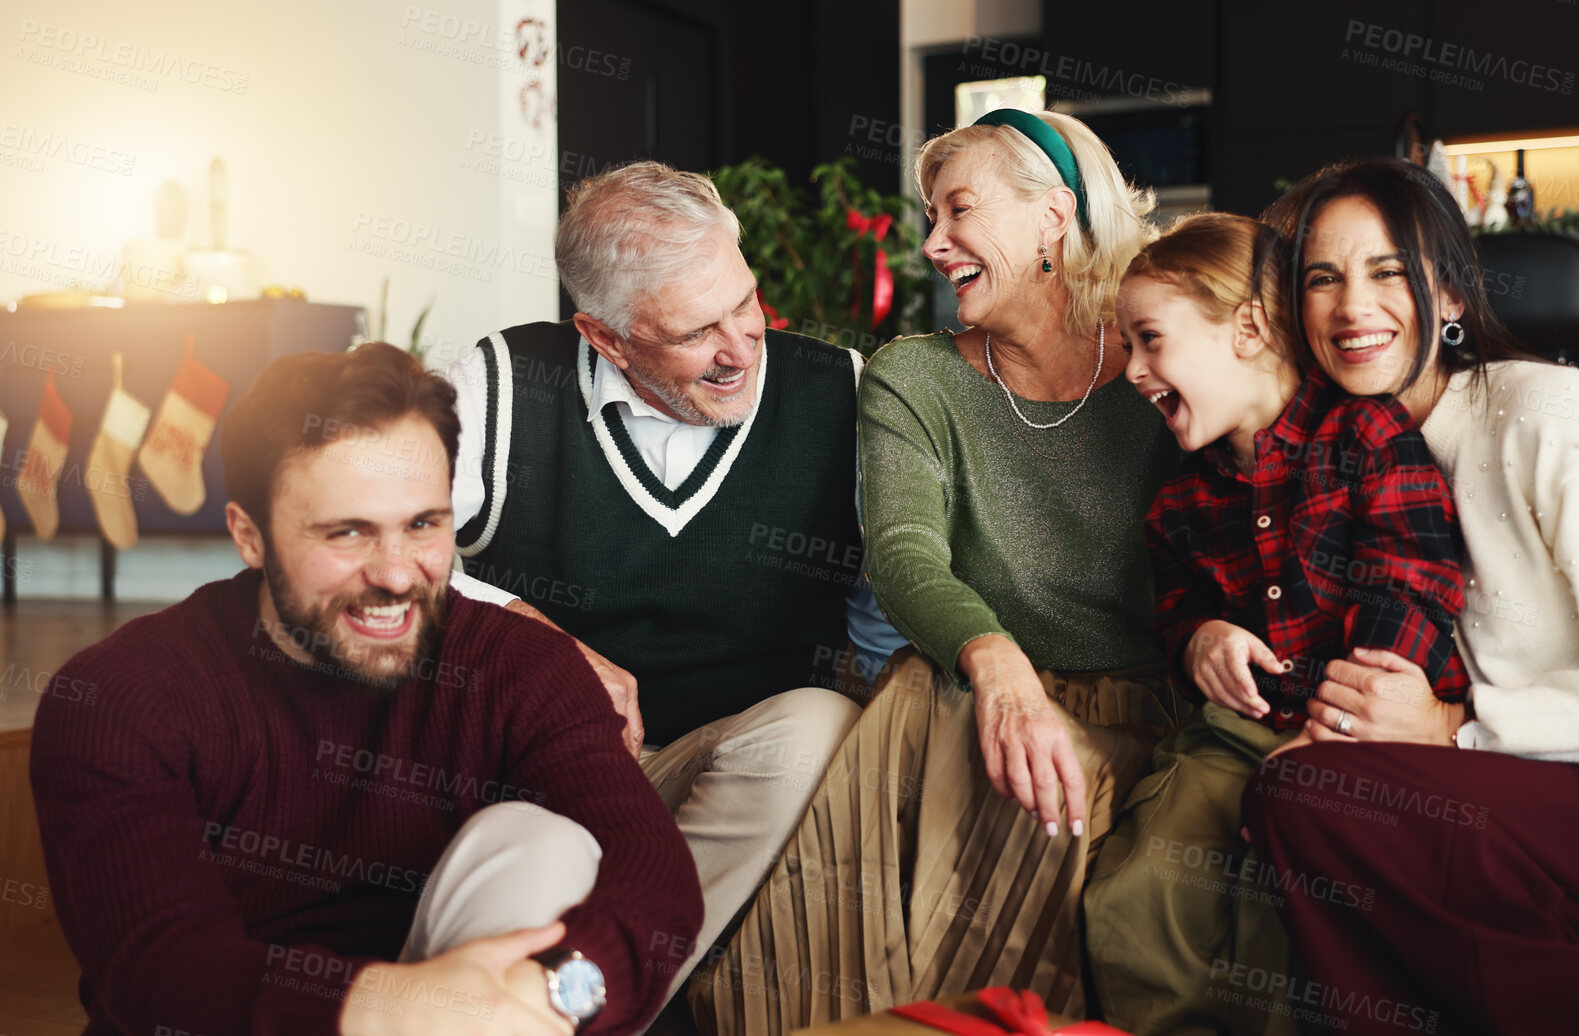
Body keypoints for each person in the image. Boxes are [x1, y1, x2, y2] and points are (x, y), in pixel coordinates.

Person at [1241, 157, 1579, 1035]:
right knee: (1300, 792)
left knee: (1316, 801)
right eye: (1321, 280)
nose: (1350, 308)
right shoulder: (1338, 455)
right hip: (1507, 786)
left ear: (1450, 296)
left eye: (1386, 274)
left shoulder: (1549, 419)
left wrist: (1454, 727)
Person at [30, 343, 702, 1036]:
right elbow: (158, 971)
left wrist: (550, 993)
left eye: (423, 525)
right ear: (250, 536)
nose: (396, 574)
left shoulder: (519, 667)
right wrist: (401, 1011)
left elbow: (655, 873)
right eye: (347, 532)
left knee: (540, 845)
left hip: (490, 1018)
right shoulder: (120, 698)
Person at [693, 108, 1183, 1033]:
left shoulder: (1164, 361)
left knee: (1049, 815)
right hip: (960, 686)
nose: (931, 244)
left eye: (958, 210)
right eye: (930, 215)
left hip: (1139, 705)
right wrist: (997, 665)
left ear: (1052, 217)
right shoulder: (913, 375)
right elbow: (903, 553)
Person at [444, 161, 902, 992]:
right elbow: (395, 559)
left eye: (746, 304)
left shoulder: (841, 389)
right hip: (550, 761)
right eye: (696, 334)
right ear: (604, 336)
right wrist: (527, 628)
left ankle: (587, 994)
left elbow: (884, 614)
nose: (739, 350)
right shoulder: (503, 383)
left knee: (817, 727)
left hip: (736, 766)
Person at [1084, 211, 1471, 1035]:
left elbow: (1411, 584)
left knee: (1280, 906)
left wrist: (1336, 725)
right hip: (1230, 740)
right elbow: (1177, 610)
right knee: (1139, 890)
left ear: (1249, 327)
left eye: (1150, 340)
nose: (1133, 371)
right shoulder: (1181, 501)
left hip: (1356, 739)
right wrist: (1200, 641)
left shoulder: (1363, 436)